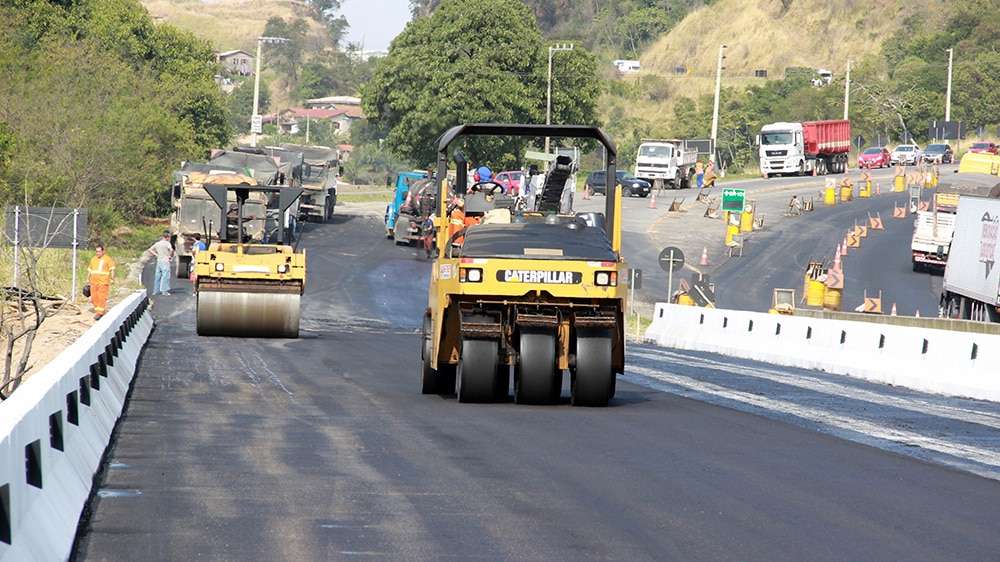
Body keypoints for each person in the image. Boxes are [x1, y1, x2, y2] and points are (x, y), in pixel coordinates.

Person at [87, 244, 116, 320]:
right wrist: (88, 279)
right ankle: (98, 310)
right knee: (94, 297)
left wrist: (112, 279)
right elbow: (90, 270)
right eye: (96, 251)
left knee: (101, 297)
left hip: (103, 282)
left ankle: (100, 313)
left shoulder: (108, 259)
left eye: (99, 251)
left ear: (103, 251)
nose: (97, 253)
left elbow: (112, 269)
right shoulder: (93, 259)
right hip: (94, 282)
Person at [147, 231, 175, 296]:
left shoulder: (158, 243)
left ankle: (155, 291)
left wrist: (156, 254)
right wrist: (170, 256)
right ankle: (164, 291)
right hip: (165, 261)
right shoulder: (167, 243)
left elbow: (150, 249)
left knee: (157, 276)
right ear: (167, 237)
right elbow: (171, 250)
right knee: (165, 276)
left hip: (159, 260)